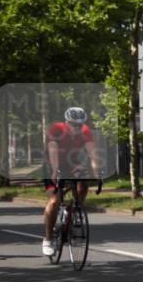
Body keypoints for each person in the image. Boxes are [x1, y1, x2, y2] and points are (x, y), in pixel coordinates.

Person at [42, 107, 100, 256]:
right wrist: (55, 171)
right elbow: (52, 149)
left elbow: (92, 154)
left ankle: (73, 210)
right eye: (74, 124)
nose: (77, 128)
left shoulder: (85, 131)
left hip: (71, 163)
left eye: (80, 125)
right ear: (66, 123)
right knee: (54, 201)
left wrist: (97, 172)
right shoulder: (55, 129)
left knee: (84, 180)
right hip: (51, 164)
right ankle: (48, 239)